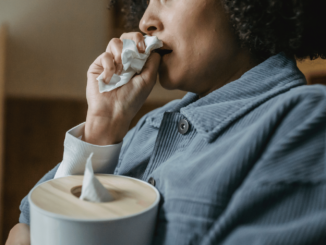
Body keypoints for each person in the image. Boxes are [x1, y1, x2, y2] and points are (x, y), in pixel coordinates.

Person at [6, 0, 326, 244]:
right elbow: (28, 225)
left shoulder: (306, 123)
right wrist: (102, 127)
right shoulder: (149, 125)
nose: (146, 21)